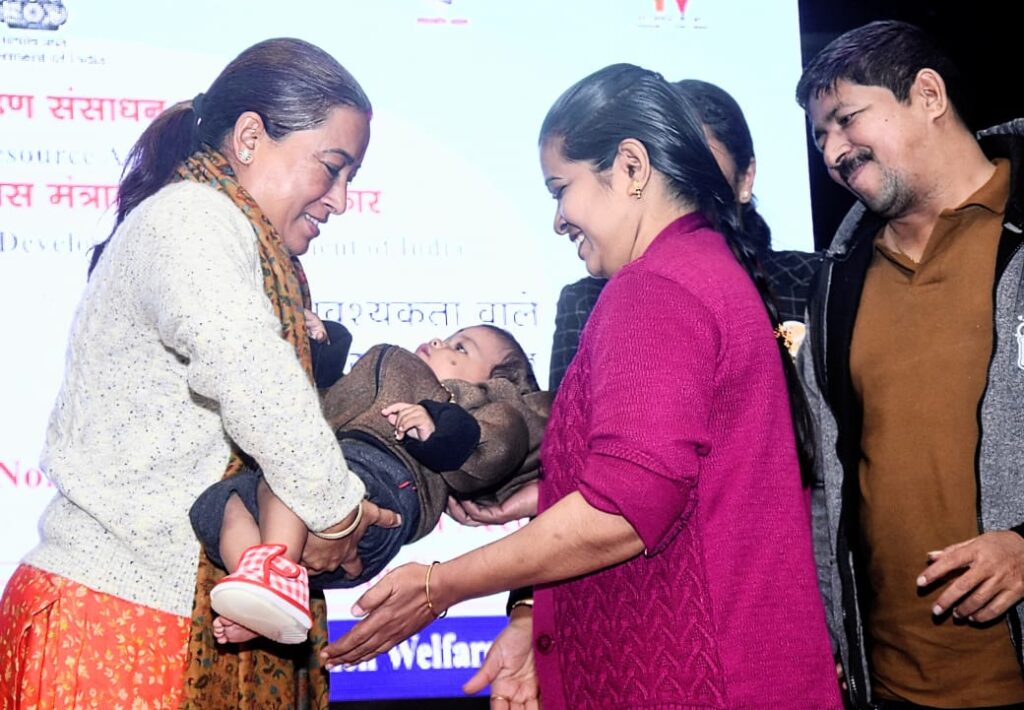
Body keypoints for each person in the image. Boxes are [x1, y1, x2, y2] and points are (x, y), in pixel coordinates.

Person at [322, 63, 842, 709]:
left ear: (631, 167)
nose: (559, 220)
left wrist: (441, 584)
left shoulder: (656, 288)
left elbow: (622, 513)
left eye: (560, 189)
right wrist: (552, 494)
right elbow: (685, 486)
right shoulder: (702, 269)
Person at [0, 37, 402, 708]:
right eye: (331, 168)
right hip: (114, 626)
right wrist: (338, 516)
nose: (339, 199)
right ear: (249, 138)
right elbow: (254, 376)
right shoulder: (190, 217)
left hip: (163, 625)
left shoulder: (238, 239)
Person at [795, 20, 1024, 710]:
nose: (833, 152)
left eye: (845, 120)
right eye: (819, 137)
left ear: (928, 95)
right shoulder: (837, 285)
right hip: (888, 685)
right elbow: (825, 484)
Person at [189, 324, 549, 645]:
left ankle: (273, 570)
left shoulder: (472, 400)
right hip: (335, 487)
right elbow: (321, 404)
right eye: (450, 338)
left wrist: (439, 427)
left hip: (385, 484)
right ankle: (261, 593)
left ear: (491, 383)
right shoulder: (387, 376)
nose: (440, 341)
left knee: (291, 477)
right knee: (224, 501)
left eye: (461, 348)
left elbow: (500, 444)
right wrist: (323, 347)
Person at [544, 78, 821, 393]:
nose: (682, 189)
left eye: (700, 172)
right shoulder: (587, 301)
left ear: (746, 178)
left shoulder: (812, 281)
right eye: (669, 171)